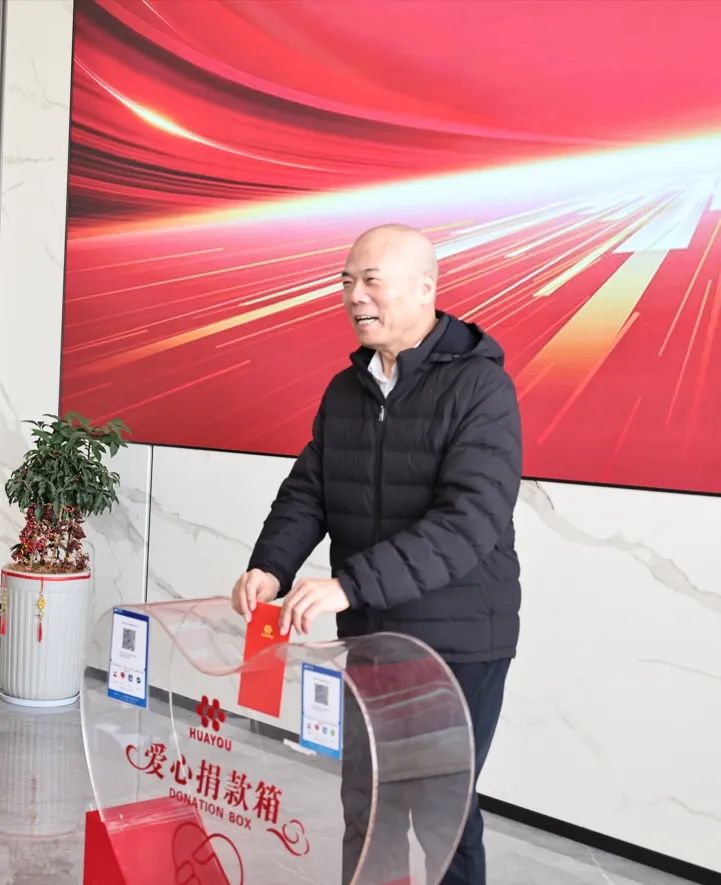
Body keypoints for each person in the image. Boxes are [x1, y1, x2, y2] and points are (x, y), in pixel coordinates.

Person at [231, 223, 522, 885]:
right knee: (369, 805)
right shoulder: (348, 389)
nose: (353, 296)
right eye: (346, 281)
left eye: (370, 280)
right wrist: (270, 566)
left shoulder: (480, 389)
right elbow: (311, 489)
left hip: (457, 641)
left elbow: (468, 521)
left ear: (424, 289)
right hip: (371, 636)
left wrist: (348, 584)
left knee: (442, 814)